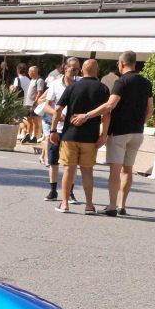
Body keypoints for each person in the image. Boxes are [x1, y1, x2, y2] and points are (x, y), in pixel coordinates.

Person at [71, 50, 152, 216]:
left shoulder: (121, 82)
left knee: (115, 170)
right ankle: (123, 205)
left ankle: (112, 206)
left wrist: (86, 115)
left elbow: (110, 105)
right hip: (137, 132)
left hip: (119, 132)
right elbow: (150, 110)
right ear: (135, 63)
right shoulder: (146, 82)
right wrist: (140, 122)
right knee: (128, 169)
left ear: (121, 63)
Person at [51, 58, 110, 214]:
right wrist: (104, 135)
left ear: (82, 71)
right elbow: (106, 114)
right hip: (90, 137)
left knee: (69, 170)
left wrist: (53, 130)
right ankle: (89, 205)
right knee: (87, 171)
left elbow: (57, 109)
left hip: (70, 134)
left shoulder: (72, 87)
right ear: (97, 71)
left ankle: (64, 204)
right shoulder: (103, 89)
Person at [43, 63, 78, 204]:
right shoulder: (55, 84)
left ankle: (70, 192)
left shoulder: (80, 83)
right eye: (73, 68)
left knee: (71, 163)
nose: (75, 71)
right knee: (53, 160)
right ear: (65, 68)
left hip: (73, 128)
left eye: (78, 69)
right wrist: (58, 114)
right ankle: (53, 190)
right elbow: (46, 106)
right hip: (57, 127)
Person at [22, 65, 45, 143]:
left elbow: (40, 92)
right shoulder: (32, 80)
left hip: (33, 103)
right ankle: (28, 134)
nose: (28, 73)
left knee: (35, 120)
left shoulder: (39, 80)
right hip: (28, 103)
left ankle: (34, 136)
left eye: (29, 71)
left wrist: (35, 103)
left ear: (33, 72)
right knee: (29, 120)